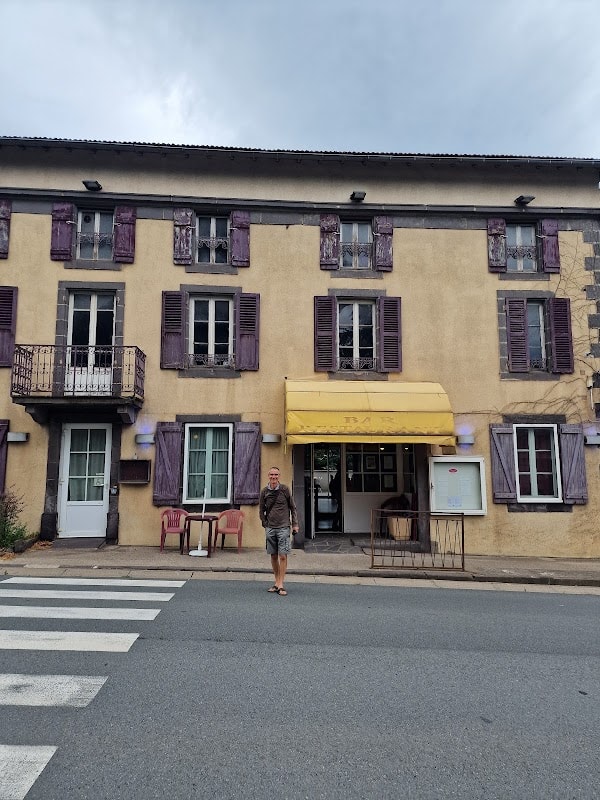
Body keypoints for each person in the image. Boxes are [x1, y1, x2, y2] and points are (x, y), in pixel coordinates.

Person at [259, 466, 299, 597]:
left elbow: (293, 507)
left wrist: (295, 524)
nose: (273, 477)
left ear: (279, 476)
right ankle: (276, 582)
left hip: (283, 527)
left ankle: (281, 584)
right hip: (270, 528)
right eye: (271, 474)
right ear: (268, 476)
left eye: (276, 474)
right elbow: (261, 509)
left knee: (283, 555)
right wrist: (265, 523)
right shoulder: (264, 491)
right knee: (273, 555)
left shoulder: (285, 489)